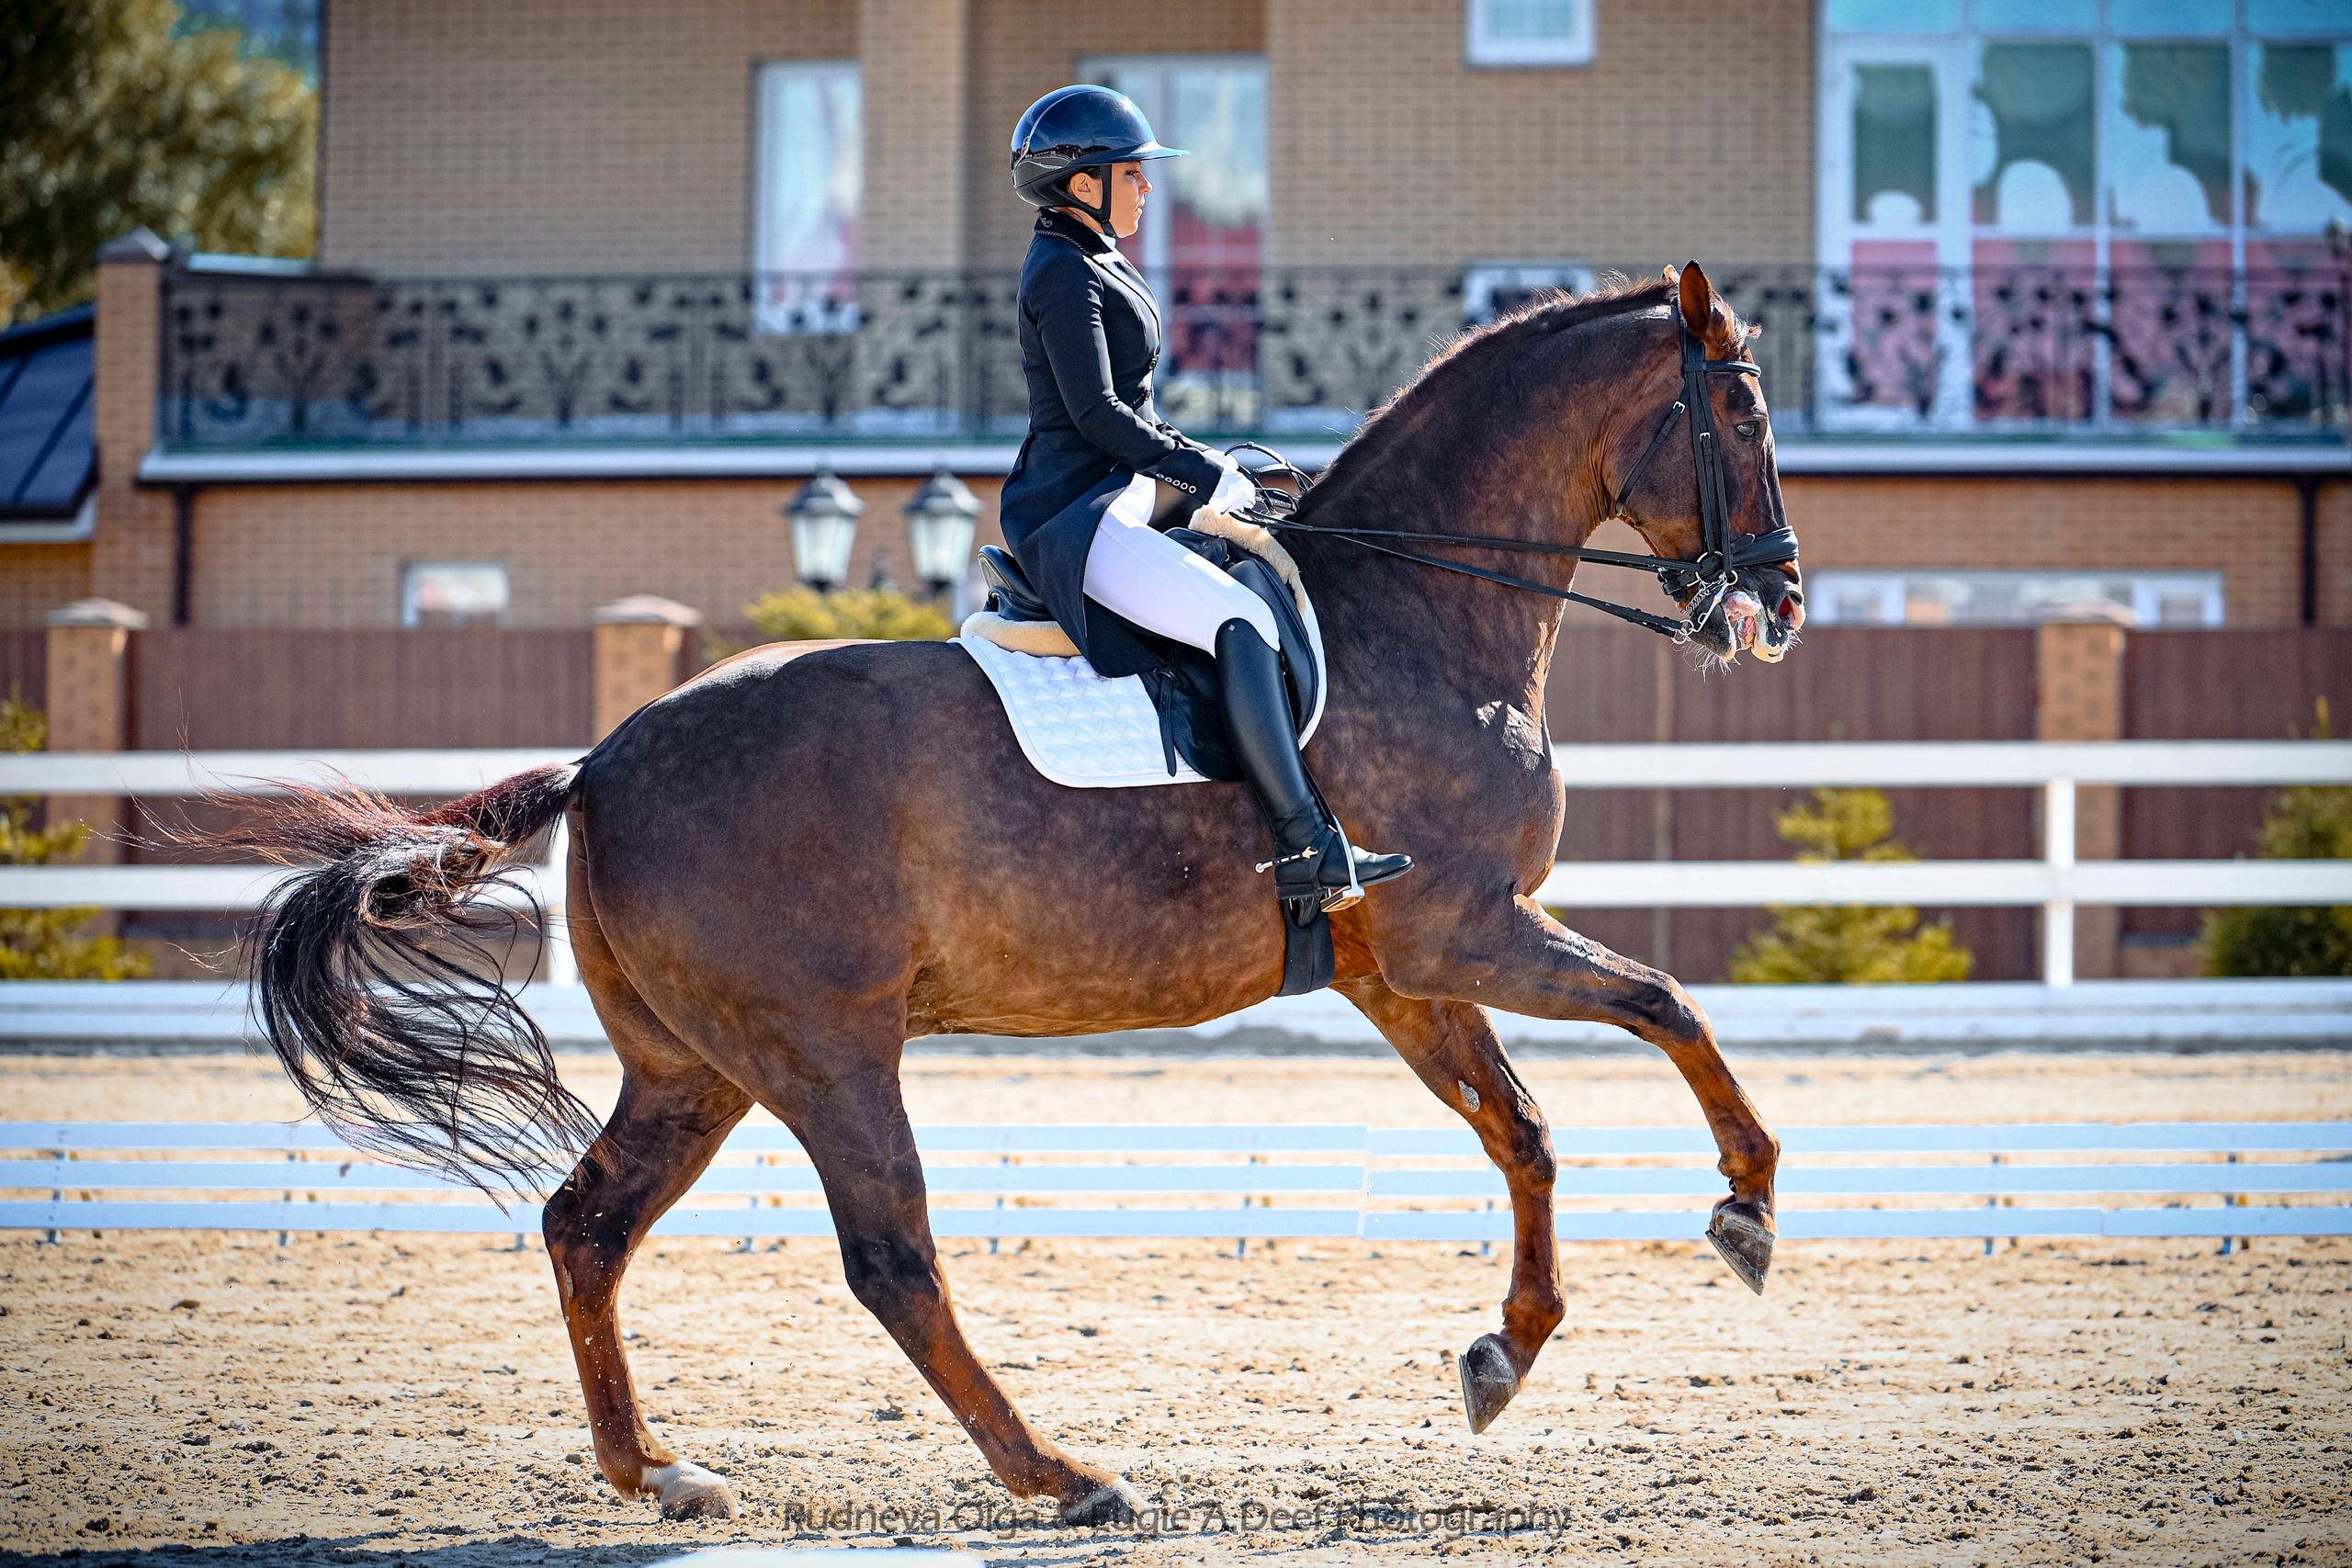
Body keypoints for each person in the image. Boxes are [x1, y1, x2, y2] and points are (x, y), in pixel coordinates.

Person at [1001, 84, 1412, 911]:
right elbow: (1097, 416)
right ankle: (1304, 843)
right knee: (1242, 621)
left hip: (1127, 490)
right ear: (1085, 183)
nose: (1148, 187)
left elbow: (1136, 412)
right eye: (1134, 173)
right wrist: (1198, 470)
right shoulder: (1059, 271)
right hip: (1080, 511)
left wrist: (1213, 465)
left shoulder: (1095, 257)